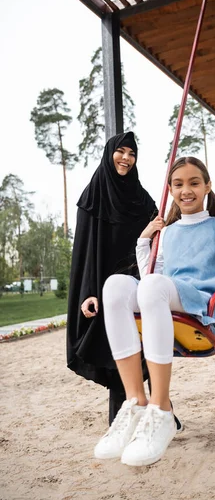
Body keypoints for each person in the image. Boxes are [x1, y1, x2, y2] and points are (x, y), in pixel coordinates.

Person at [94, 156, 215, 466]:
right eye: (178, 184)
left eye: (194, 182)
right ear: (170, 190)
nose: (186, 190)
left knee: (152, 286)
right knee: (115, 286)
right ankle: (135, 401)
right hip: (168, 293)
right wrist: (144, 241)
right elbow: (149, 278)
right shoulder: (168, 232)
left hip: (201, 303)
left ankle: (161, 409)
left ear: (208, 186)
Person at [67, 132, 182, 430]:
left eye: (132, 153)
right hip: (104, 287)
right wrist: (88, 292)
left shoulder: (141, 197)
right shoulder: (93, 196)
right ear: (109, 154)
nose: (126, 158)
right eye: (121, 151)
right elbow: (86, 251)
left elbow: (159, 236)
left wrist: (162, 222)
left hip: (138, 282)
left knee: (145, 350)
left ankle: (159, 409)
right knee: (115, 354)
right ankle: (126, 419)